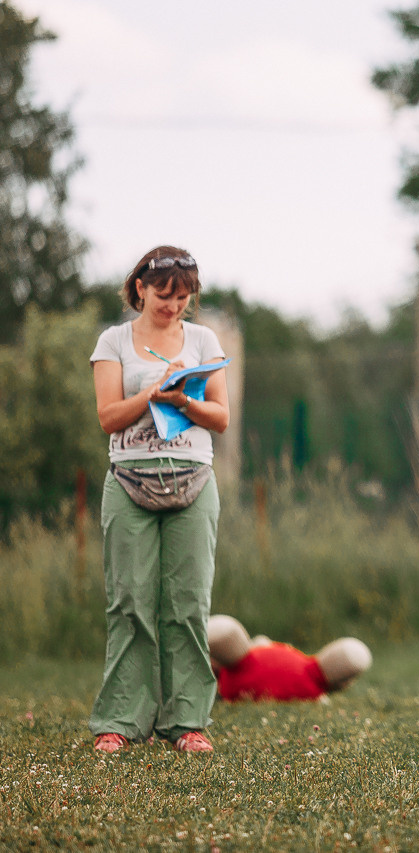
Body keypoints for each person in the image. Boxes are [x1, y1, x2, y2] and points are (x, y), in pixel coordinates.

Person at [88, 246, 230, 754]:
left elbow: (221, 416)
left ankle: (186, 722)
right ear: (141, 288)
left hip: (194, 478)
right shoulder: (113, 341)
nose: (174, 306)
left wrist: (184, 401)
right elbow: (107, 416)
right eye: (165, 295)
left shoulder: (203, 339)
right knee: (130, 602)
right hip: (129, 479)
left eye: (184, 297)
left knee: (188, 603)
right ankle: (121, 720)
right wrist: (150, 394)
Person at [207, 615, 372, 701]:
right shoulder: (312, 682)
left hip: (243, 663)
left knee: (242, 641)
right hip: (247, 661)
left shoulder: (236, 673)